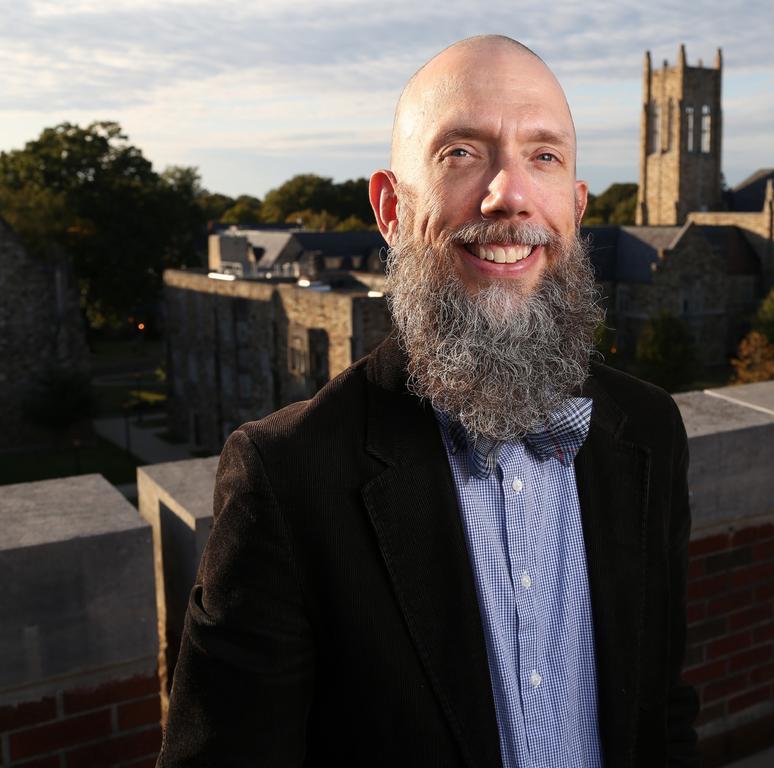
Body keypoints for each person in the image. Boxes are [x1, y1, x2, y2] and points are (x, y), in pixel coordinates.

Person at [159, 35, 700, 767]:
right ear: (389, 207)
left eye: (543, 156)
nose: (509, 193)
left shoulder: (647, 430)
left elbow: (660, 711)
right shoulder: (286, 477)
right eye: (461, 153)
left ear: (576, 207)